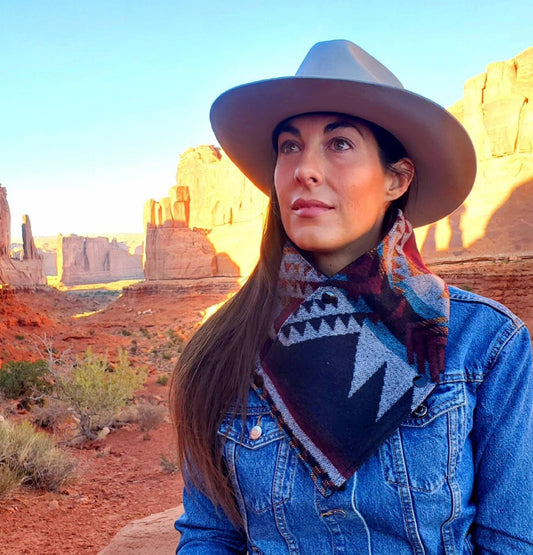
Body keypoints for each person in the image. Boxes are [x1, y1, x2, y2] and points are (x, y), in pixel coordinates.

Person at [171, 40, 533, 553]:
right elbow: (211, 537)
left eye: (339, 144)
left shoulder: (487, 346)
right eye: (289, 146)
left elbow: (512, 543)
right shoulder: (224, 348)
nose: (304, 169)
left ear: (396, 178)